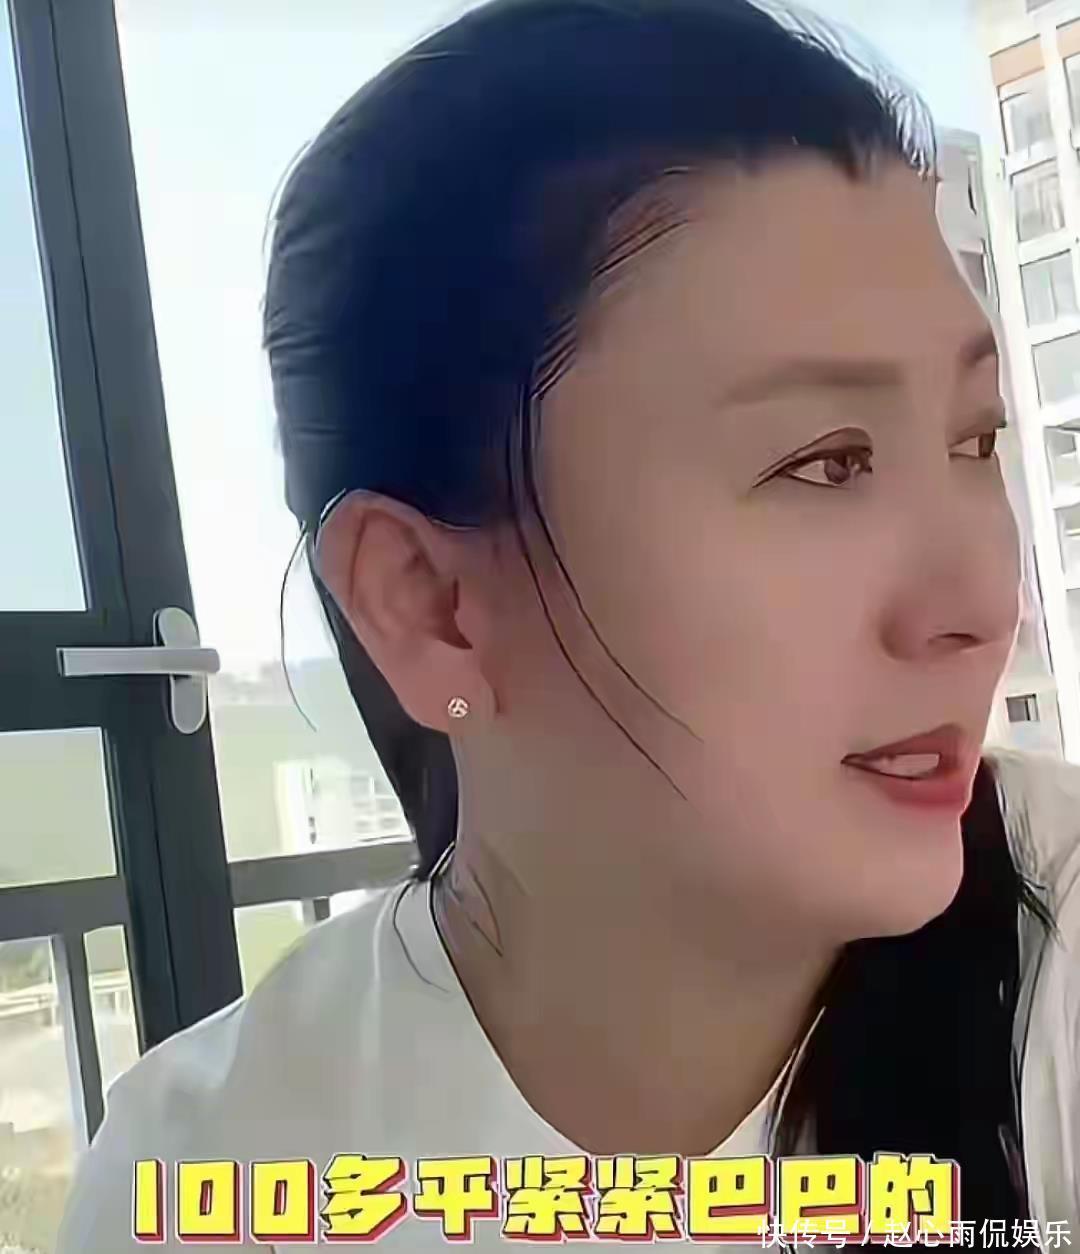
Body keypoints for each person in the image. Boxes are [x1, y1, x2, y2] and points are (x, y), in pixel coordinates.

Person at [59, 0, 1080, 1249]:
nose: (980, 603)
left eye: (975, 440)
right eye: (825, 462)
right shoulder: (212, 1174)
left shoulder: (1056, 963)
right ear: (431, 605)